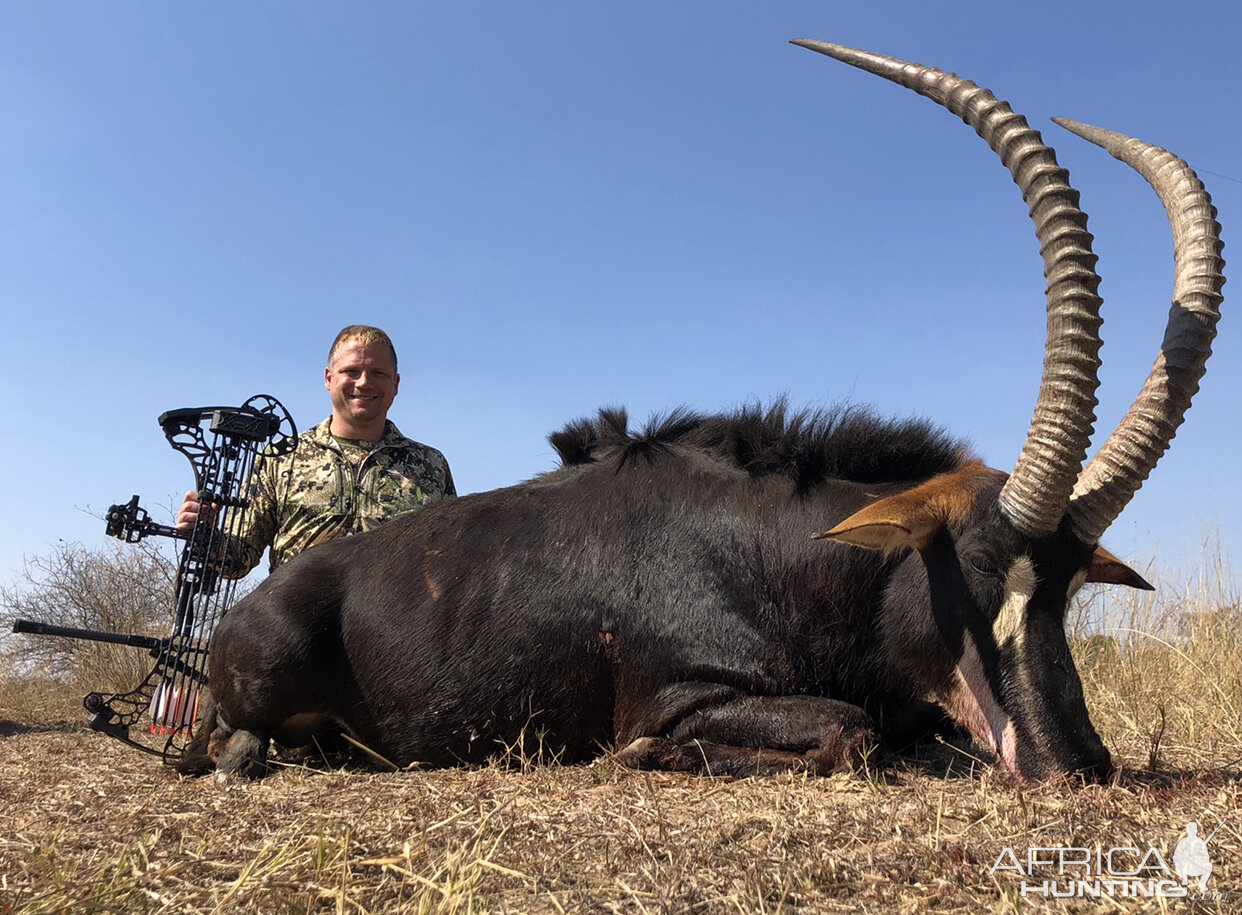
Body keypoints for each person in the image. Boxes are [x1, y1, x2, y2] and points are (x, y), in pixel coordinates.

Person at [176, 324, 455, 574]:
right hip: (298, 628)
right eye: (351, 371)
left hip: (394, 629)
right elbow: (237, 561)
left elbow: (449, 562)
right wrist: (204, 534)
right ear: (328, 378)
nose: (364, 382)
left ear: (395, 384)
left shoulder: (431, 465)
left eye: (378, 373)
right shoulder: (280, 458)